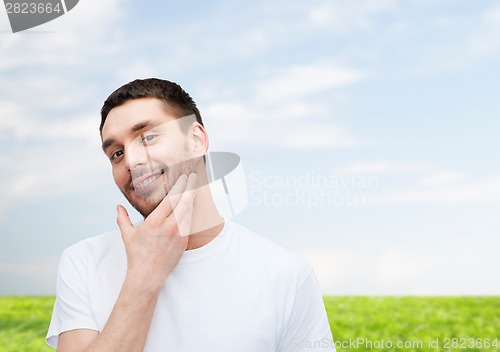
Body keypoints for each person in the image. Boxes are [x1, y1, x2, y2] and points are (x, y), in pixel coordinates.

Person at [46, 78, 335, 351]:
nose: (132, 161)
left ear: (196, 139)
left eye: (148, 137)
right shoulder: (84, 262)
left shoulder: (287, 274)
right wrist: (143, 278)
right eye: (117, 154)